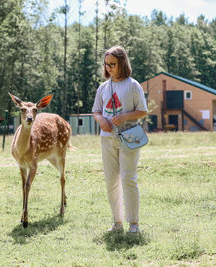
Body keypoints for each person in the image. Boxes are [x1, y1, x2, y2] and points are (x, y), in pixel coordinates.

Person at [92, 46, 148, 234]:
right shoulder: (103, 87)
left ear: (122, 63)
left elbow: (143, 110)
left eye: (113, 64)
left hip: (129, 137)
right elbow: (96, 110)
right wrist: (100, 120)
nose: (109, 68)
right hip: (107, 139)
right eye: (106, 64)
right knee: (111, 181)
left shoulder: (133, 85)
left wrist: (124, 116)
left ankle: (134, 224)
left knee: (128, 179)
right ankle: (117, 223)